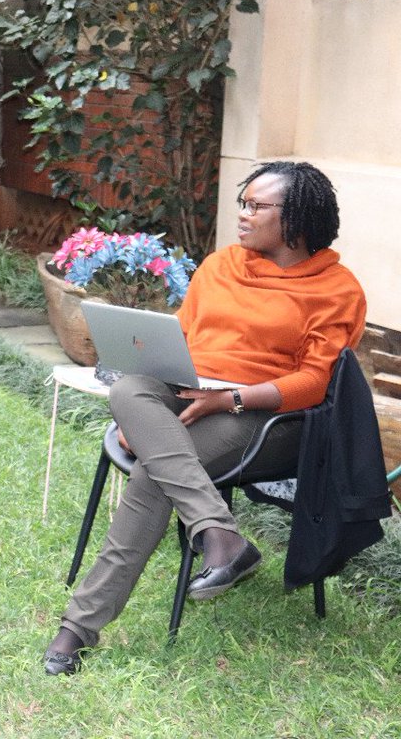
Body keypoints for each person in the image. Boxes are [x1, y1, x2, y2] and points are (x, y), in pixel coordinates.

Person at [43, 161, 367, 675]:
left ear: (297, 220)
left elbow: (315, 383)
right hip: (186, 389)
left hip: (268, 419)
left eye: (258, 206)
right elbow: (183, 335)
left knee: (155, 471)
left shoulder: (335, 289)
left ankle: (77, 628)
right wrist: (154, 411)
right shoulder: (221, 266)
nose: (243, 214)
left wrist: (229, 400)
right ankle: (220, 534)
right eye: (244, 202)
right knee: (129, 385)